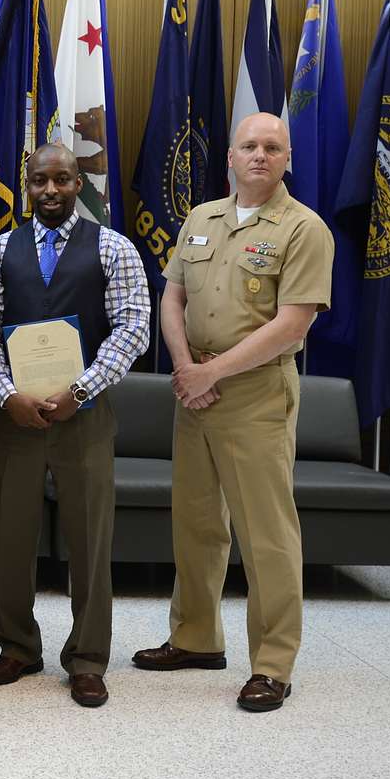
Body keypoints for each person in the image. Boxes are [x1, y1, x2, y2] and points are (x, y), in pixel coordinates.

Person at [133, 112, 333, 713]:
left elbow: (291, 324)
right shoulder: (202, 219)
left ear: (287, 158)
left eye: (273, 147)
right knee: (195, 524)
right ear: (229, 155)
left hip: (254, 395)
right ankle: (196, 638)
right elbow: (172, 295)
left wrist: (209, 374)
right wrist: (183, 366)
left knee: (266, 535)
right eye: (249, 145)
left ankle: (273, 663)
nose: (260, 156)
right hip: (193, 389)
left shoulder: (304, 229)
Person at [0, 143, 149, 708]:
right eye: (40, 181)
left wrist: (80, 390)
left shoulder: (113, 248)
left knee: (90, 540)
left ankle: (89, 657)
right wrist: (6, 393)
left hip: (85, 418)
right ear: (26, 185)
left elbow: (132, 329)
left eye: (63, 180)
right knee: (13, 536)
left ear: (80, 183)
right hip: (14, 417)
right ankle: (18, 646)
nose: (51, 191)